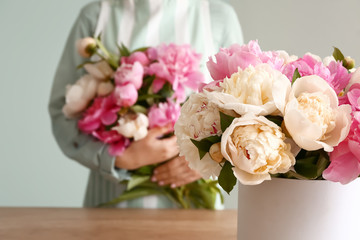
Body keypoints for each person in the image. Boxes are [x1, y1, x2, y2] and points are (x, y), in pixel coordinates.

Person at [49, 0, 243, 208]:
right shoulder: (96, 16)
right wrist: (115, 158)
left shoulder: (218, 17)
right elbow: (63, 111)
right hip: (113, 207)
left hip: (196, 210)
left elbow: (243, 108)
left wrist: (210, 159)